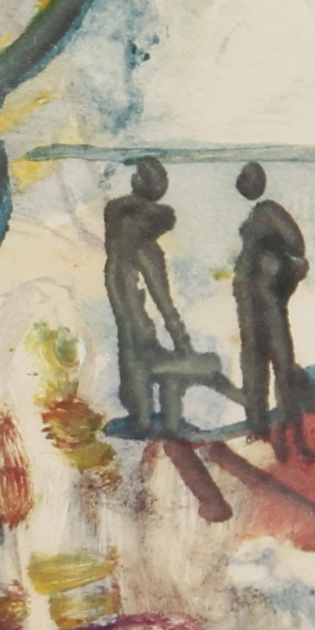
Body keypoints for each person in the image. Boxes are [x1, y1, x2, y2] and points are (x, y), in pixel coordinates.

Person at [102, 158, 195, 435]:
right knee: (137, 347)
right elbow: (164, 304)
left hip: (133, 324)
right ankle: (146, 419)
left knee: (133, 347)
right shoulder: (143, 248)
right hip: (137, 326)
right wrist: (183, 344)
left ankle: (144, 418)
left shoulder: (119, 223)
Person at [233, 162, 311, 460]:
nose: (243, 183)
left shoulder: (268, 211)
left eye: (248, 178)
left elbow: (298, 248)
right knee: (256, 363)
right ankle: (261, 429)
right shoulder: (258, 214)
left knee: (279, 364)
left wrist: (281, 275)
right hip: (252, 302)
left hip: (266, 299)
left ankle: (290, 435)